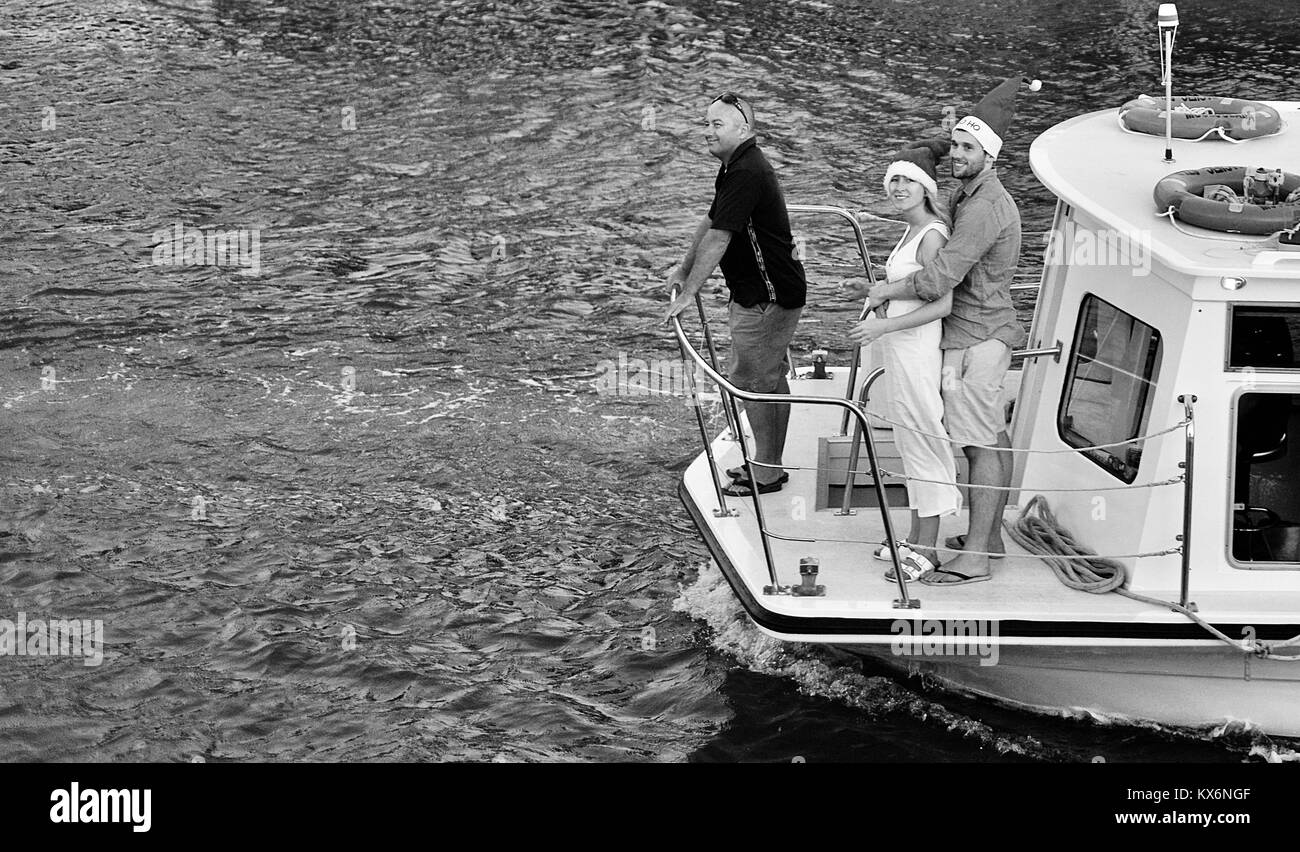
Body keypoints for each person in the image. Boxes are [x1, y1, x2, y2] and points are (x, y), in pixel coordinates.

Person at [864, 76, 1036, 586]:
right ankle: (990, 539)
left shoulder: (983, 205)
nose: (958, 153)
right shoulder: (969, 193)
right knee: (988, 439)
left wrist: (882, 292)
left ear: (991, 154)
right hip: (974, 334)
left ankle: (978, 555)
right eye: (955, 144)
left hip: (978, 337)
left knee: (981, 445)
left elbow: (941, 278)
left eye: (968, 147)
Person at [665, 92, 807, 497]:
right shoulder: (735, 167)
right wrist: (684, 267)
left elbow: (721, 237)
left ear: (744, 129)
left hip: (767, 297)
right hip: (769, 291)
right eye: (706, 123)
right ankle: (769, 464)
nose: (708, 131)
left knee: (751, 380)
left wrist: (689, 292)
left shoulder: (747, 170)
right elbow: (713, 220)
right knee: (768, 379)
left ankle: (766, 472)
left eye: (717, 124)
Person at [846, 140, 961, 581]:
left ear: (925, 188)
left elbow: (942, 305)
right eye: (893, 178)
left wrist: (882, 327)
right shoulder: (910, 232)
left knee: (924, 436)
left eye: (907, 180)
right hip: (900, 348)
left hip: (915, 350)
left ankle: (928, 548)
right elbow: (905, 288)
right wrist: (869, 292)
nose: (898, 186)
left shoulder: (933, 234)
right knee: (909, 439)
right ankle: (914, 538)